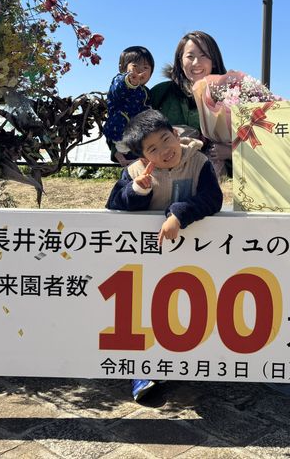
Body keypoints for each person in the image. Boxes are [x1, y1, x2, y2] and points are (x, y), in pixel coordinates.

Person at [105, 109, 223, 402]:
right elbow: (114, 204)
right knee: (142, 312)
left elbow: (212, 199)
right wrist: (137, 191)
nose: (164, 151)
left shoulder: (198, 162)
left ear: (176, 133)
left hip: (191, 258)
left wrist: (179, 214)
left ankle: (187, 359)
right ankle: (142, 371)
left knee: (183, 311)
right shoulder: (135, 172)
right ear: (142, 156)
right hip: (148, 259)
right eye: (153, 149)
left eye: (166, 139)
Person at [149, 31, 231, 171]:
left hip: (215, 175)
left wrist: (231, 152)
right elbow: (138, 128)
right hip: (165, 174)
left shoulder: (232, 94)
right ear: (180, 61)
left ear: (214, 60)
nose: (196, 62)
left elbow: (256, 140)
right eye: (190, 56)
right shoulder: (161, 92)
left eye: (203, 55)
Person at [104, 46, 154, 164]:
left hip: (138, 135)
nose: (140, 71)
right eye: (135, 66)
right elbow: (118, 88)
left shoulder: (146, 91)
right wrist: (129, 80)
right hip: (121, 129)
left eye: (145, 67)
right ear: (122, 68)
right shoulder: (119, 80)